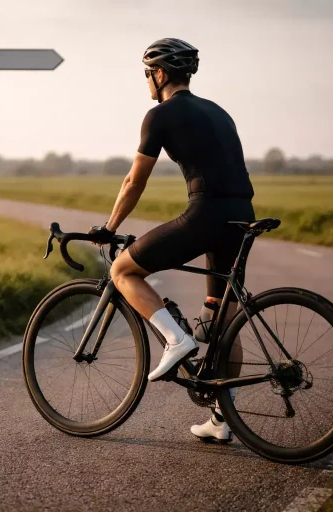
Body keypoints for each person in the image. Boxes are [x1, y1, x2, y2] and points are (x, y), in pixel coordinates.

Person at [88, 38, 255, 442]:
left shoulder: (159, 115)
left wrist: (110, 227)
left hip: (207, 212)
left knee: (123, 268)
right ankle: (222, 419)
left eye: (148, 74)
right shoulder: (219, 112)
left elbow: (134, 181)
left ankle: (175, 339)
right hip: (243, 215)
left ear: (159, 74)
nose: (147, 81)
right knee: (223, 319)